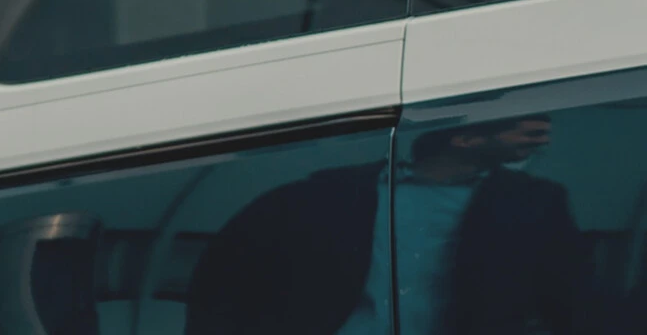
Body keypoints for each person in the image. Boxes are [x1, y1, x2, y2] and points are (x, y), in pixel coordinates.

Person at [186, 115, 614, 335]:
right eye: (524, 132)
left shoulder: (533, 205)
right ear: (463, 138)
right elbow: (225, 281)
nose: (540, 139)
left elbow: (575, 304)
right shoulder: (326, 195)